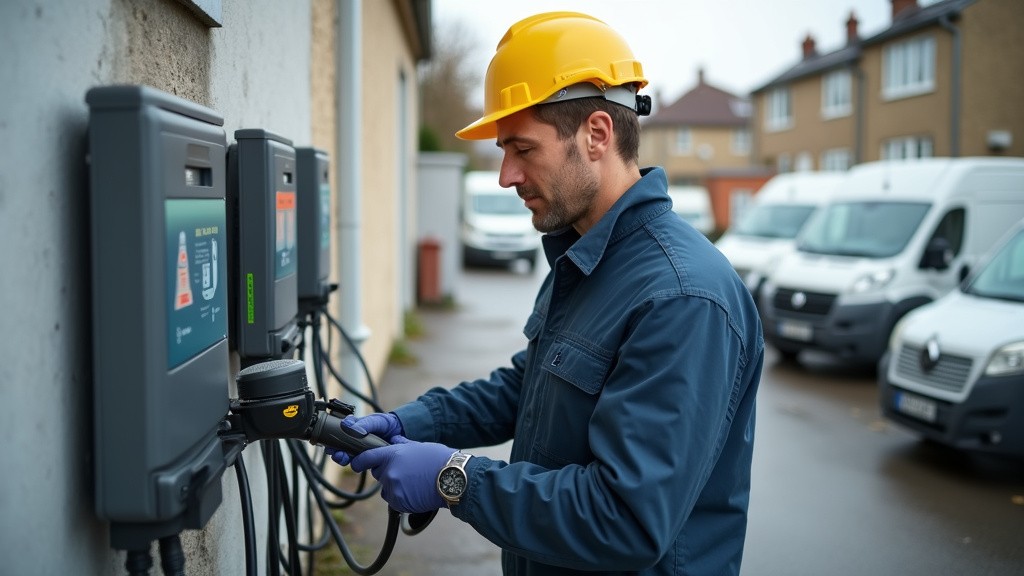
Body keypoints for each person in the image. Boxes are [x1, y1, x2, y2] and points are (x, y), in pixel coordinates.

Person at [330, 11, 763, 576]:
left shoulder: (682, 298)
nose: (505, 175)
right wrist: (415, 422)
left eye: (523, 149)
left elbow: (625, 519)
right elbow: (531, 388)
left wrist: (453, 478)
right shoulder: (586, 253)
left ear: (597, 134)